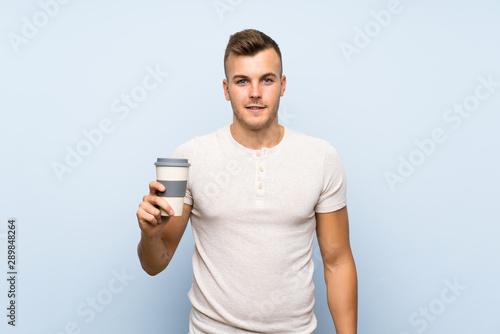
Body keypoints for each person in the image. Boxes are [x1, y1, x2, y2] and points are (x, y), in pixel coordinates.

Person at [136, 29, 357, 334]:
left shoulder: (321, 157)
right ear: (227, 89)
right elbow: (155, 263)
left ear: (282, 86)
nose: (255, 92)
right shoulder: (189, 157)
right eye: (242, 81)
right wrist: (150, 235)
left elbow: (338, 262)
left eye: (266, 79)